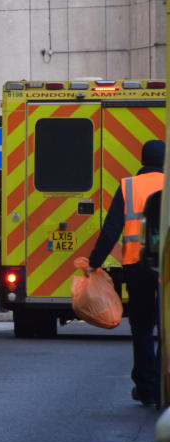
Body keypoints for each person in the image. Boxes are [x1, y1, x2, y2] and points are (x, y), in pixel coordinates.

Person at [86, 139, 164, 406]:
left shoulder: (129, 186)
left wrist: (94, 263)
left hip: (138, 267)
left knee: (142, 327)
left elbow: (111, 231)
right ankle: (163, 380)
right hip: (168, 267)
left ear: (142, 160)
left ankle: (146, 386)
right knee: (166, 327)